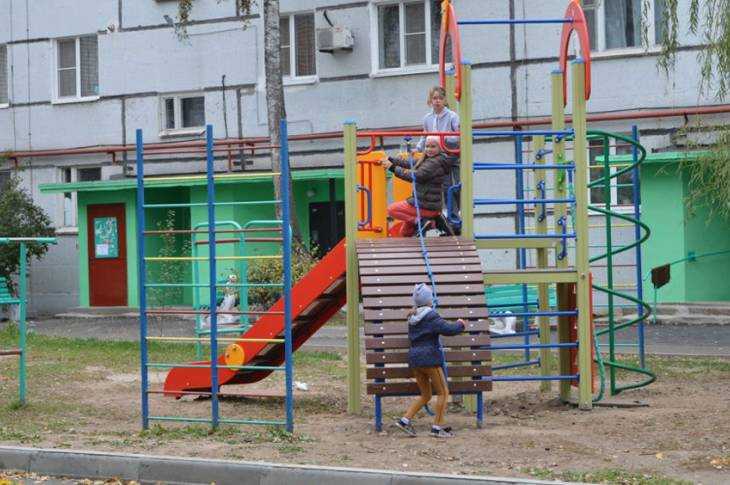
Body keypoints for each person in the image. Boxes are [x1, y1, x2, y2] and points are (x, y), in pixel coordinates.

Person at [394, 283, 465, 438]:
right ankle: (437, 427)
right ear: (429, 300)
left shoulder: (413, 317)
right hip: (430, 360)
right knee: (443, 392)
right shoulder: (431, 316)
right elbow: (448, 329)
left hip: (415, 361)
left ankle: (404, 420)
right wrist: (460, 324)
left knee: (426, 395)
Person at [382, 136, 450, 237]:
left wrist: (392, 168)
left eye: (433, 147)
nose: (429, 149)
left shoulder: (434, 162)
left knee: (392, 210)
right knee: (405, 233)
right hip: (426, 203)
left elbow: (415, 176)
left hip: (425, 205)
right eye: (427, 146)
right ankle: (426, 221)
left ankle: (423, 222)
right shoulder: (428, 159)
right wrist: (391, 160)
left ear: (440, 148)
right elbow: (410, 163)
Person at [416, 86, 461, 217]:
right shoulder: (427, 118)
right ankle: (452, 215)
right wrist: (418, 148)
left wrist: (443, 138)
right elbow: (425, 135)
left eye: (440, 98)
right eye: (435, 98)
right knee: (446, 186)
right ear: (430, 100)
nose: (437, 101)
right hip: (439, 158)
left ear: (445, 100)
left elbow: (459, 136)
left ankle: (460, 210)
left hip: (452, 154)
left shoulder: (452, 116)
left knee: (458, 185)